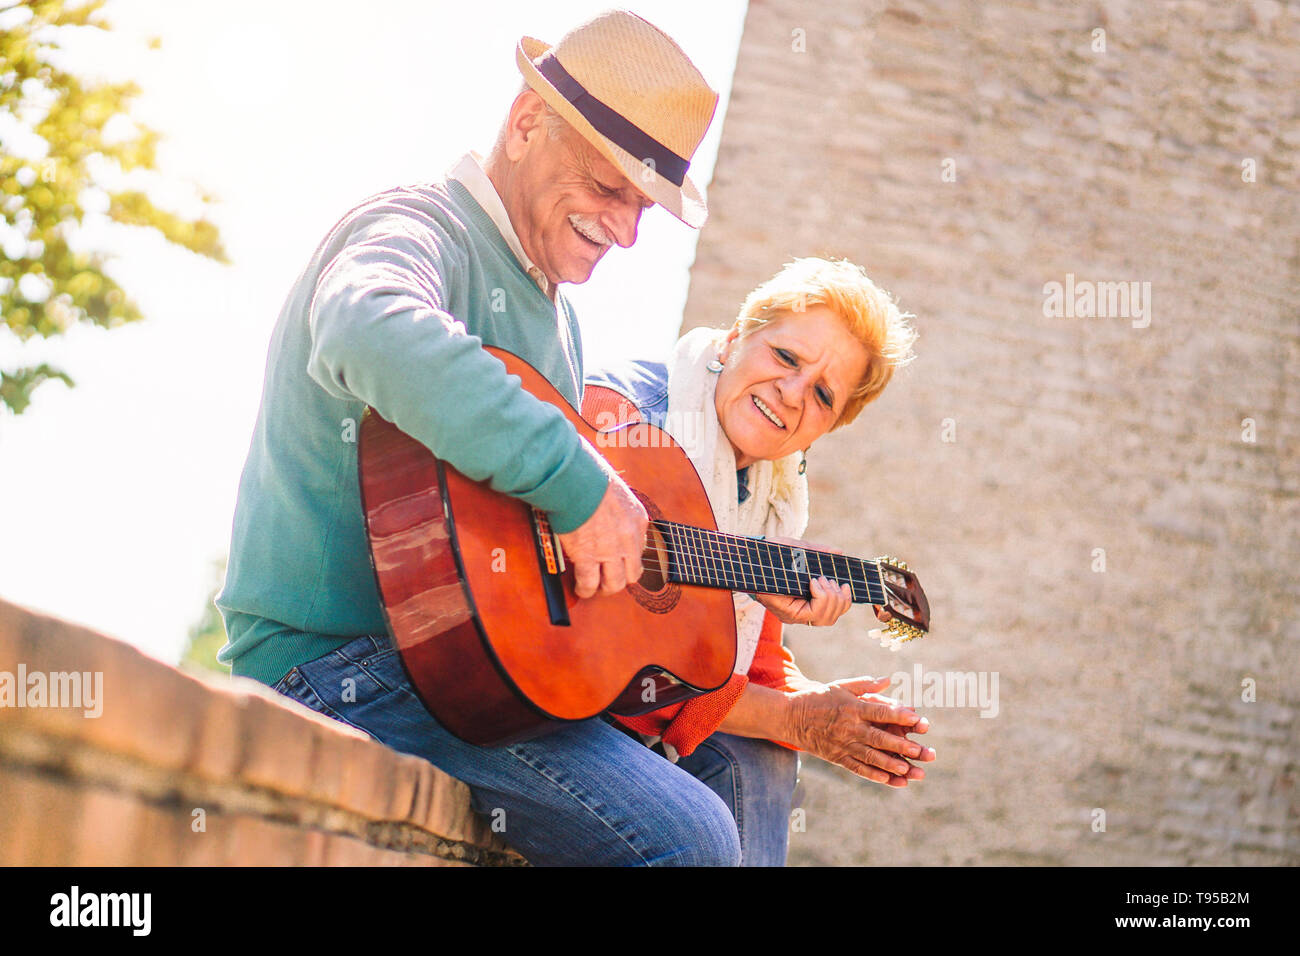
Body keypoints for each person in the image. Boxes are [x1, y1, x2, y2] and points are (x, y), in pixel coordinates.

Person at [216, 9, 927, 866]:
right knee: (691, 838)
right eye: (608, 188)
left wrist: (731, 598)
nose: (626, 232)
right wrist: (582, 485)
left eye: (642, 208)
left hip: (455, 672)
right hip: (336, 664)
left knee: (735, 781)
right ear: (525, 124)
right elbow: (366, 326)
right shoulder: (419, 228)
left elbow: (559, 572)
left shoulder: (559, 326)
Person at [584, 256, 933, 865]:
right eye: (786, 357)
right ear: (734, 337)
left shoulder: (767, 498)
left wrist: (822, 707)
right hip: (552, 694)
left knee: (766, 757)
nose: (792, 393)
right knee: (716, 810)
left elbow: (752, 659)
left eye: (823, 395)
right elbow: (616, 661)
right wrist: (794, 717)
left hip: (631, 719)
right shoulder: (629, 421)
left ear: (825, 428)